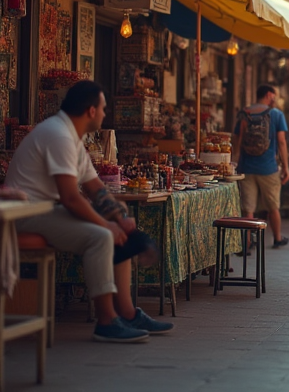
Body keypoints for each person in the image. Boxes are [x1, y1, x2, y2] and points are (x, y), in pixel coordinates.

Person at [7, 81, 173, 342]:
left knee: (118, 225)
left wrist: (120, 218)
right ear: (91, 111)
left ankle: (128, 314)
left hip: (47, 211)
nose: (105, 114)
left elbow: (95, 187)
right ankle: (106, 321)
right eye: (103, 108)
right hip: (25, 215)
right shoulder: (58, 135)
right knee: (101, 236)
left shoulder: (71, 136)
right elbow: (71, 198)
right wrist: (107, 226)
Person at [233, 84, 289, 248]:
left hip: (246, 167)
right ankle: (277, 238)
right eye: (274, 96)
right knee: (273, 206)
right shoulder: (277, 114)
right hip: (269, 168)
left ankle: (249, 242)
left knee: (248, 208)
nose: (275, 99)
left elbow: (236, 137)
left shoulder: (245, 113)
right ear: (268, 95)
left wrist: (236, 160)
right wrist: (286, 166)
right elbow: (281, 141)